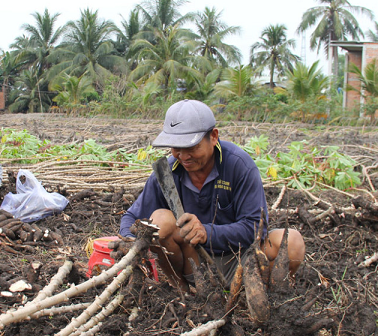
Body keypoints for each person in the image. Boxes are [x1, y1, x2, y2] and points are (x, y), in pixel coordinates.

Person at [119, 100, 306, 292]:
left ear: (214, 136)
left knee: (292, 241)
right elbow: (131, 218)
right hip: (193, 262)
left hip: (240, 260)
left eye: (191, 147)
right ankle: (181, 291)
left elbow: (255, 227)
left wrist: (207, 233)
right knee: (160, 220)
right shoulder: (167, 172)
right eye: (176, 148)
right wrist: (128, 243)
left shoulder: (238, 165)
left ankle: (259, 292)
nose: (183, 156)